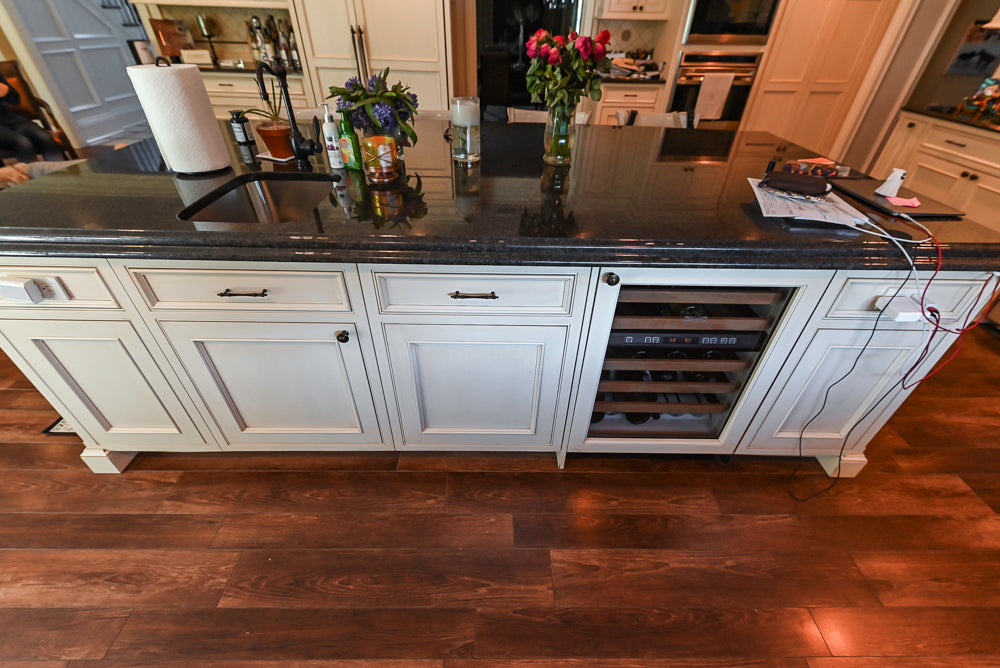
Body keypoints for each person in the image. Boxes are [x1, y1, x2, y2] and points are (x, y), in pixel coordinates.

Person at [0, 71, 65, 163]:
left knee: (45, 137)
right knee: (23, 143)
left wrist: (5, 91)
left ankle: (62, 172)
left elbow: (16, 100)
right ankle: (35, 175)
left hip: (12, 119)